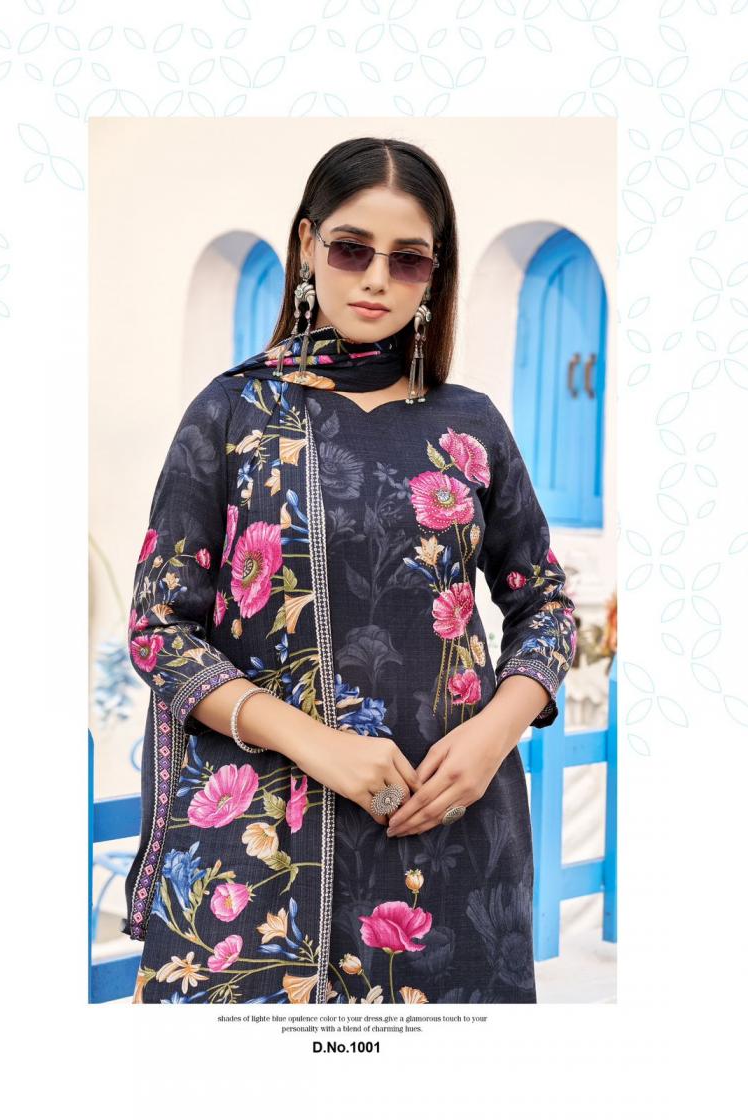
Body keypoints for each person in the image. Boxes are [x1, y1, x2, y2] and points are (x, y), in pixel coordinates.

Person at [122, 136, 577, 1005]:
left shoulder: (469, 425)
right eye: (350, 249)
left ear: (434, 275)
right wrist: (314, 744)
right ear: (306, 245)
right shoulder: (233, 412)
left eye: (407, 260)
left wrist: (495, 733)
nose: (375, 279)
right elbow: (157, 628)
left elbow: (545, 603)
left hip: (446, 833)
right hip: (260, 843)